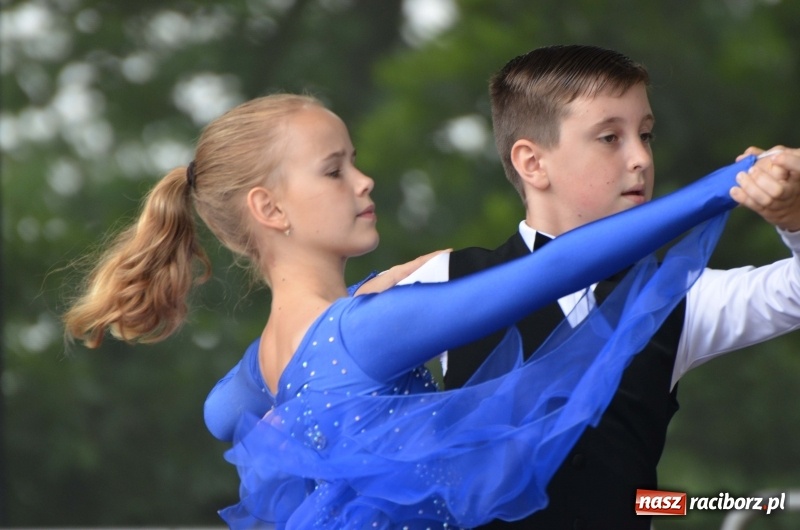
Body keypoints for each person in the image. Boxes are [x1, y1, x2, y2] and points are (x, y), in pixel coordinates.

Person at [62, 93, 795, 530]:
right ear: (269, 208)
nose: (364, 177)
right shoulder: (374, 326)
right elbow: (564, 265)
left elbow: (225, 419)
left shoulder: (247, 383)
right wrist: (726, 185)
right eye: (335, 168)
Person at [386, 44, 800, 529]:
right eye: (610, 138)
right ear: (532, 163)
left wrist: (795, 219)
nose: (641, 158)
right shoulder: (441, 282)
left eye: (645, 135)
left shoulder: (679, 295)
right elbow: (322, 370)